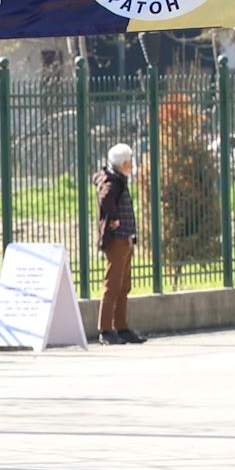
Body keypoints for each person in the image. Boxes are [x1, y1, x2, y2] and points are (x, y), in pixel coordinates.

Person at [94, 144, 146, 345]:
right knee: (113, 285)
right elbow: (105, 197)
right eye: (130, 162)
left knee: (123, 285)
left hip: (125, 239)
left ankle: (122, 327)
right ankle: (106, 330)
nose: (132, 165)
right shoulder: (112, 181)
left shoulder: (119, 180)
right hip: (117, 240)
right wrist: (114, 218)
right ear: (124, 164)